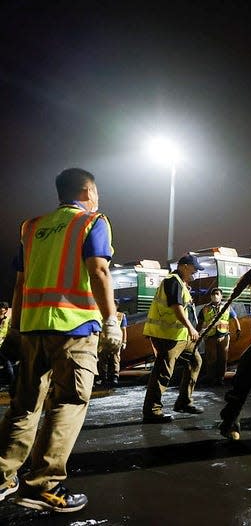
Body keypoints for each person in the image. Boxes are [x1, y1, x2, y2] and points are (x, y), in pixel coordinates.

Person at [0, 168, 122, 513]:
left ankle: (2, 476)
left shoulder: (32, 226)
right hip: (74, 328)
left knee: (24, 404)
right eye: (96, 192)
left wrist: (14, 329)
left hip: (33, 328)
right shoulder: (92, 221)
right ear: (87, 191)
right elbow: (98, 269)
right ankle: (43, 485)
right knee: (68, 402)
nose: (97, 198)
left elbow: (20, 283)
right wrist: (111, 319)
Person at [142, 254, 204, 423]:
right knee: (163, 371)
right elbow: (176, 308)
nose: (196, 272)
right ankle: (152, 410)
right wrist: (191, 328)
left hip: (180, 337)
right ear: (184, 266)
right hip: (167, 336)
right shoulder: (172, 281)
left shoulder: (181, 284)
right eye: (194, 268)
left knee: (195, 361)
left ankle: (184, 401)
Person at [198, 288, 240, 386]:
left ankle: (220, 379)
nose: (215, 296)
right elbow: (200, 322)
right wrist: (196, 333)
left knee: (223, 358)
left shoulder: (227, 307)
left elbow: (235, 318)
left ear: (221, 296)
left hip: (224, 336)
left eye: (217, 294)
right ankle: (211, 379)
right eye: (213, 294)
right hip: (210, 337)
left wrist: (238, 329)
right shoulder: (205, 308)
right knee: (211, 359)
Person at [96, 299, 128, 388]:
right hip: (104, 341)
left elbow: (124, 330)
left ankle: (114, 377)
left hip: (116, 341)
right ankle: (103, 377)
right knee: (103, 359)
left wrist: (124, 342)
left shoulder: (121, 316)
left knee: (115, 359)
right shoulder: (102, 315)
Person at [0, 302, 15, 389]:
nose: (1, 309)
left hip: (4, 345)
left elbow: (10, 332)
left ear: (6, 310)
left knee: (7, 362)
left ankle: (12, 382)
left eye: (3, 308)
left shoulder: (8, 320)